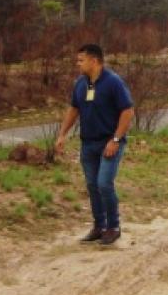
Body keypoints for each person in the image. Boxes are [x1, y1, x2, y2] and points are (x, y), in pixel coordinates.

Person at [55, 44, 135, 245]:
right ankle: (99, 225)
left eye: (81, 60)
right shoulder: (81, 83)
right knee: (92, 186)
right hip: (88, 143)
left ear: (94, 60)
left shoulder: (113, 82)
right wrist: (62, 134)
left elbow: (127, 111)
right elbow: (74, 109)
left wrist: (116, 139)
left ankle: (113, 226)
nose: (78, 64)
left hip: (109, 142)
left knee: (104, 184)